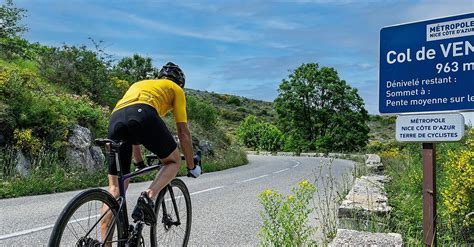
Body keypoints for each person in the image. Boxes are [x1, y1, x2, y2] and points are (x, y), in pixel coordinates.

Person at [101, 62, 201, 240]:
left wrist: (139, 163)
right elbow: (183, 133)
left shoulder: (139, 84)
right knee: (173, 161)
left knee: (115, 188)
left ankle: (104, 242)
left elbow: (133, 136)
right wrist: (192, 166)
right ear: (180, 82)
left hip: (115, 119)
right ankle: (148, 196)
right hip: (143, 114)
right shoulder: (175, 89)